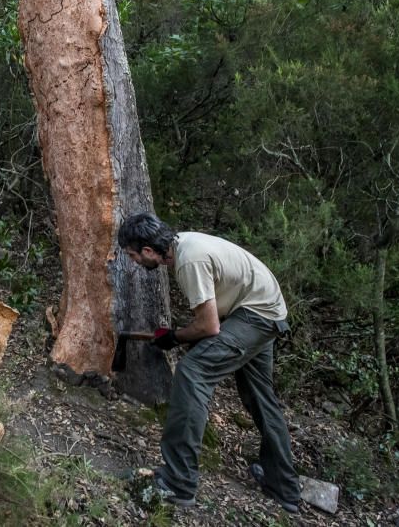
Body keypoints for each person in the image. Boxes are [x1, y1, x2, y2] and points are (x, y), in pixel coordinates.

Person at [117, 212, 301, 513]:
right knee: (260, 397)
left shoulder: (189, 261)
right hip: (266, 310)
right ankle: (284, 486)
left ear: (149, 251)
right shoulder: (184, 245)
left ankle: (178, 482)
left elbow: (209, 327)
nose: (135, 262)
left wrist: (174, 337)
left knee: (192, 373)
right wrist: (180, 335)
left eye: (133, 255)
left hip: (256, 315)